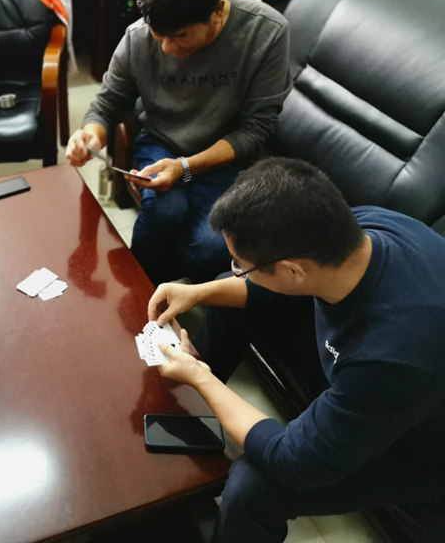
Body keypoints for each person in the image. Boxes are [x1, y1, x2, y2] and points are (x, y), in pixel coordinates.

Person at [147, 157, 445, 541]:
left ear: (293, 270)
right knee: (226, 297)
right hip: (378, 380)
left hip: (415, 447)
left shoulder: (391, 356)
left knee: (252, 488)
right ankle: (185, 423)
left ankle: (196, 390)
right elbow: (270, 290)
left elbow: (293, 461)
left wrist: (201, 378)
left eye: (241, 265)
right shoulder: (361, 227)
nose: (236, 269)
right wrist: (198, 292)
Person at [66, 0, 291, 284]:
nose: (168, 49)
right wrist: (91, 136)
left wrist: (185, 167)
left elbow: (255, 129)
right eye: (159, 36)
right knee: (164, 213)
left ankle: (156, 283)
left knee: (208, 248)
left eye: (180, 36)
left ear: (217, 10)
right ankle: (138, 288)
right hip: (162, 141)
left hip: (227, 154)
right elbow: (107, 104)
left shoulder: (267, 32)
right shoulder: (138, 36)